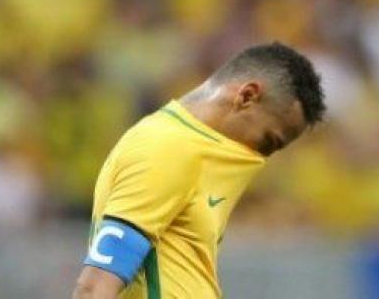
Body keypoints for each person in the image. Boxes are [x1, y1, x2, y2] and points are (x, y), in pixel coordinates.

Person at [72, 42, 326, 299]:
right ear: (246, 96)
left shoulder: (195, 152)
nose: (261, 157)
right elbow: (93, 287)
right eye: (268, 142)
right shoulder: (167, 146)